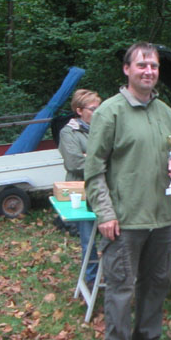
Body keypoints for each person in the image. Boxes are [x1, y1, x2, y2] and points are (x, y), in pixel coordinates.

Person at [84, 42, 171, 340]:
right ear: (127, 69)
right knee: (121, 287)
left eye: (153, 66)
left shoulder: (167, 113)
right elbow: (93, 169)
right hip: (124, 219)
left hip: (161, 215)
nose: (148, 71)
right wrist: (105, 213)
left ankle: (148, 339)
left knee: (157, 282)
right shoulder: (109, 112)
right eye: (141, 65)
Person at [58, 89, 102, 290]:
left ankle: (111, 274)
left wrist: (90, 157)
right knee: (88, 238)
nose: (98, 111)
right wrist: (103, 161)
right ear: (79, 110)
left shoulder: (103, 127)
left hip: (106, 189)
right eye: (94, 109)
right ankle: (91, 278)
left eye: (100, 107)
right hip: (82, 192)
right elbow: (74, 163)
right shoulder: (69, 132)